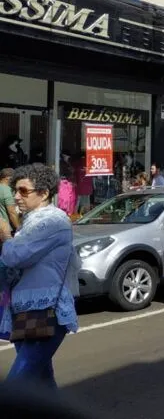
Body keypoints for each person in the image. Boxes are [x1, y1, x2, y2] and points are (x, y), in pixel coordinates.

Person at [0, 163, 79, 388]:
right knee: (43, 385)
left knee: (17, 386)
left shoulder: (52, 221)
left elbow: (17, 256)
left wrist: (6, 235)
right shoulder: (31, 222)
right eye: (15, 190)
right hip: (25, 311)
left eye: (23, 191)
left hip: (45, 312)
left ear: (44, 193)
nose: (16, 197)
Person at [0, 168, 20, 232]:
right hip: (5, 230)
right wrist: (19, 229)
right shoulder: (7, 191)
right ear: (8, 178)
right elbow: (12, 212)